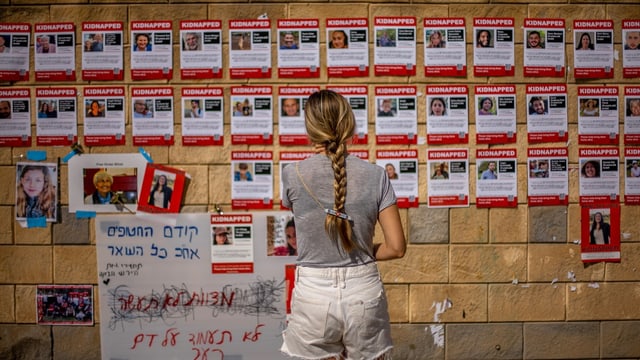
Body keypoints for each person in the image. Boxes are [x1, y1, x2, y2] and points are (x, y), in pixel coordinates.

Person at [280, 90, 406, 359]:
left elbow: (307, 221)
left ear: (310, 127)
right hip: (364, 292)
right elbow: (396, 248)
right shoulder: (376, 175)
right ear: (349, 122)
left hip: (313, 293)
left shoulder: (293, 174)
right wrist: (360, 248)